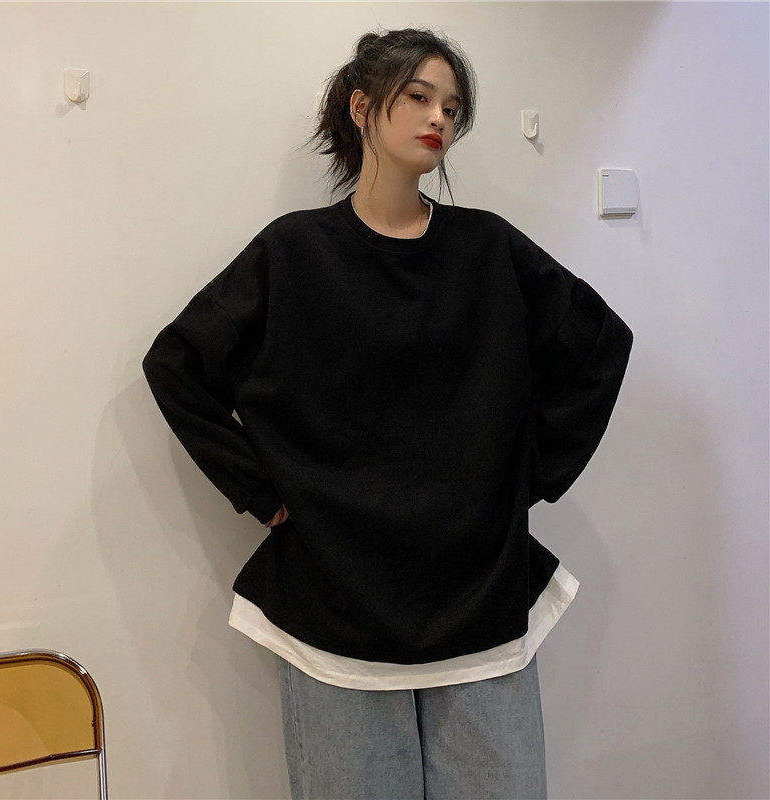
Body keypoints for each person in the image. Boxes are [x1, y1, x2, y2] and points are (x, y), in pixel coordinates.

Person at [142, 26, 634, 800]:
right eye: (419, 96)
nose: (439, 117)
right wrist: (259, 491)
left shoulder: (487, 248)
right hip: (333, 604)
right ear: (360, 106)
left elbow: (599, 345)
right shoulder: (294, 251)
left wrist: (525, 477)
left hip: (479, 597)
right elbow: (177, 364)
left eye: (453, 107)